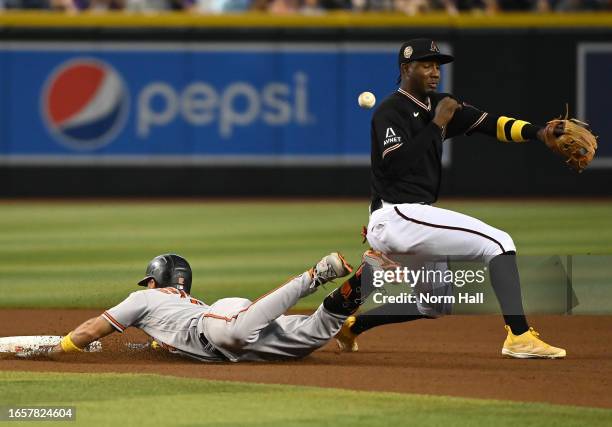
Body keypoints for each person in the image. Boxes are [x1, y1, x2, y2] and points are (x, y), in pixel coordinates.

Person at [334, 38, 567, 359]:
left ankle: (353, 325)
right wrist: (438, 123)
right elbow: (396, 164)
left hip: (411, 220)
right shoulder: (391, 111)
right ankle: (519, 336)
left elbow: (492, 124)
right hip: (395, 215)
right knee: (498, 243)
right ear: (406, 69)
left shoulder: (440, 104)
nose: (434, 72)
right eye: (426, 65)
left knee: (435, 302)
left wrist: (539, 132)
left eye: (437, 65)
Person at [43, 252, 368, 362]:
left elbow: (91, 330)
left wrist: (64, 346)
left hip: (221, 324)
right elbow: (155, 343)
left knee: (234, 333)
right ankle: (371, 277)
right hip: (239, 339)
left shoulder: (143, 298)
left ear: (154, 280)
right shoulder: (186, 304)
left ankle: (314, 276)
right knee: (314, 334)